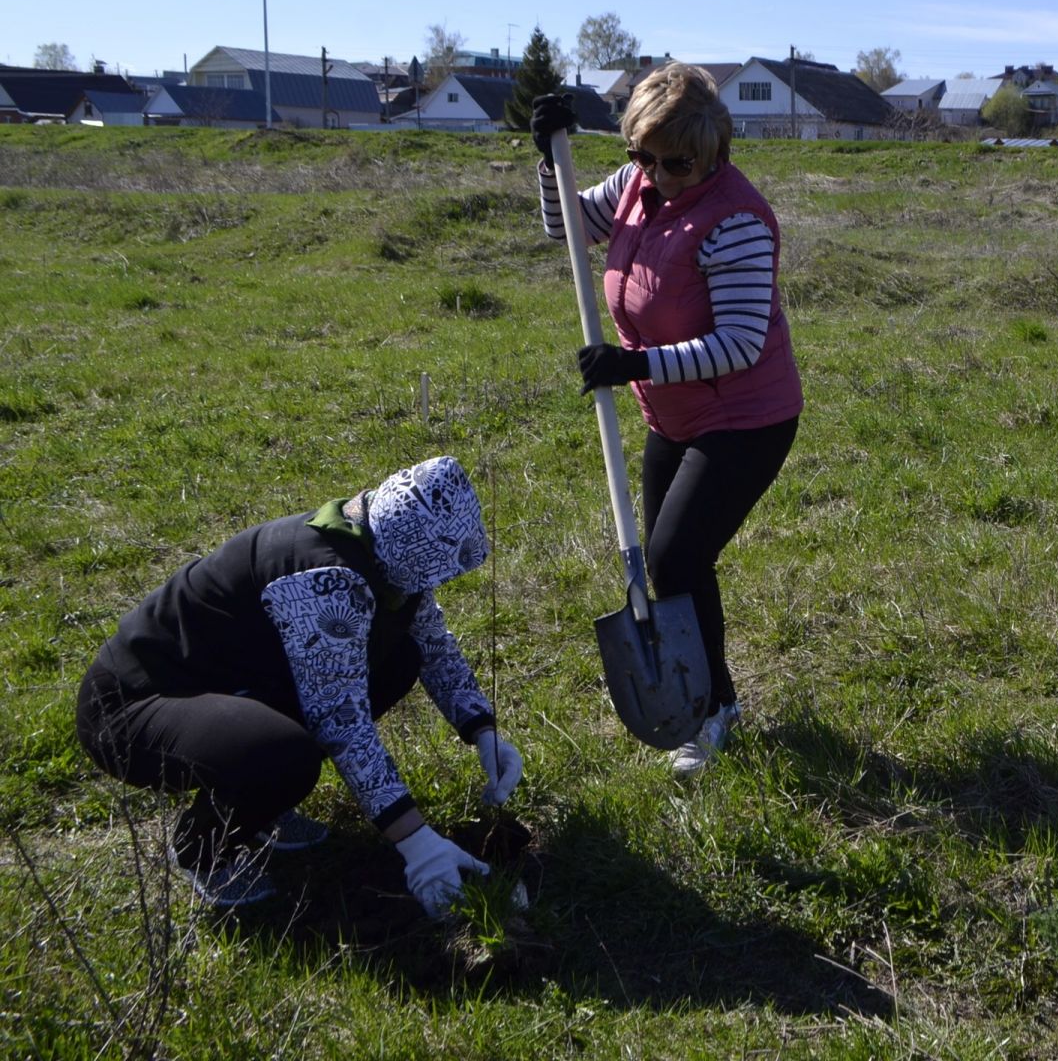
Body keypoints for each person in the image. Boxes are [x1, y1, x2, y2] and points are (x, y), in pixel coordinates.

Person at [74, 456, 524, 912]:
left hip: (228, 684)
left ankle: (260, 802)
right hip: (133, 708)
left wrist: (482, 730)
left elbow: (432, 644)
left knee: (399, 658)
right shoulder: (323, 581)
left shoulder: (381, 548)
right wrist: (416, 842)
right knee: (286, 758)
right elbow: (340, 720)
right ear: (408, 547)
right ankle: (202, 848)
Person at [530, 64, 802, 777]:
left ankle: (709, 712)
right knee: (673, 562)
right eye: (641, 157)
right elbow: (565, 225)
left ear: (714, 150)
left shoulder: (736, 219)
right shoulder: (636, 189)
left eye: (675, 162)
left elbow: (741, 344)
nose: (657, 174)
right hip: (674, 412)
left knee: (675, 559)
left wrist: (635, 365)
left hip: (746, 417)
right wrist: (546, 157)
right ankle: (718, 700)